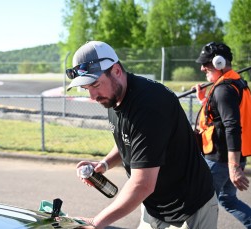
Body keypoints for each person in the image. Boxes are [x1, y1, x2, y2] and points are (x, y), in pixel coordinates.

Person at [66, 41, 218, 229]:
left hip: (191, 207)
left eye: (96, 85)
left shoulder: (149, 105)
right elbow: (128, 140)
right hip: (153, 207)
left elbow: (143, 184)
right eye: (87, 88)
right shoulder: (113, 97)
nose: (93, 96)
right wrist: (104, 164)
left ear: (116, 71)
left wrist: (97, 223)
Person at [194, 42, 251, 228]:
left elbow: (232, 127)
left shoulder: (224, 89)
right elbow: (221, 117)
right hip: (233, 157)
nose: (203, 68)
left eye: (206, 64)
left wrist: (233, 167)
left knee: (200, 207)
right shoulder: (237, 83)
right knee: (227, 200)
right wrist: (204, 99)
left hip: (220, 161)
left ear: (219, 62)